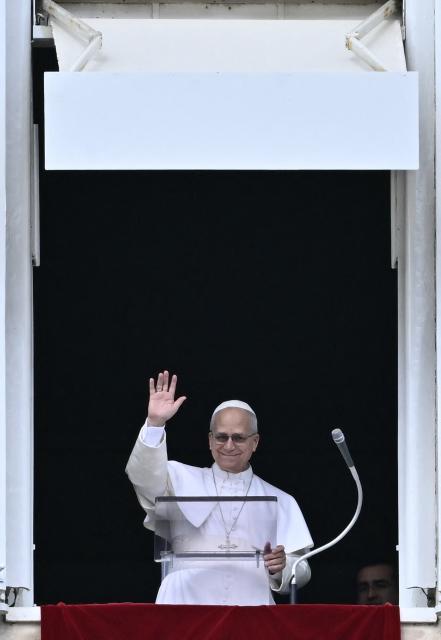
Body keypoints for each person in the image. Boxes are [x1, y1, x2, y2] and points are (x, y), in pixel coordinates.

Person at [126, 370, 313, 605]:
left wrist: (281, 567)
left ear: (255, 442)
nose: (229, 445)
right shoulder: (179, 477)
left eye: (239, 438)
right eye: (221, 437)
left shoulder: (281, 500)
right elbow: (143, 477)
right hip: (184, 602)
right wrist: (155, 423)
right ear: (210, 440)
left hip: (251, 605)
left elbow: (302, 567)